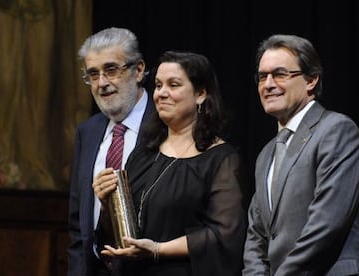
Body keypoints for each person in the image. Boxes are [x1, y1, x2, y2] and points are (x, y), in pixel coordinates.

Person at [242, 34, 359, 275]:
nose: (268, 84)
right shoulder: (266, 155)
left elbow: (326, 225)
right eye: (262, 76)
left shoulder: (336, 130)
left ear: (311, 80)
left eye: (280, 74)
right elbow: (256, 237)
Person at [94, 51, 247, 276]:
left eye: (173, 85)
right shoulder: (145, 151)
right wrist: (107, 202)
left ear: (201, 94)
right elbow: (118, 233)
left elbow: (223, 235)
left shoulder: (221, 159)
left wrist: (157, 250)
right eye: (158, 85)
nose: (161, 94)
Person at [67, 27, 155, 276]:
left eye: (111, 70)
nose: (102, 83)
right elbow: (77, 225)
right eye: (93, 74)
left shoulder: (166, 125)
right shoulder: (88, 131)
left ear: (138, 70)